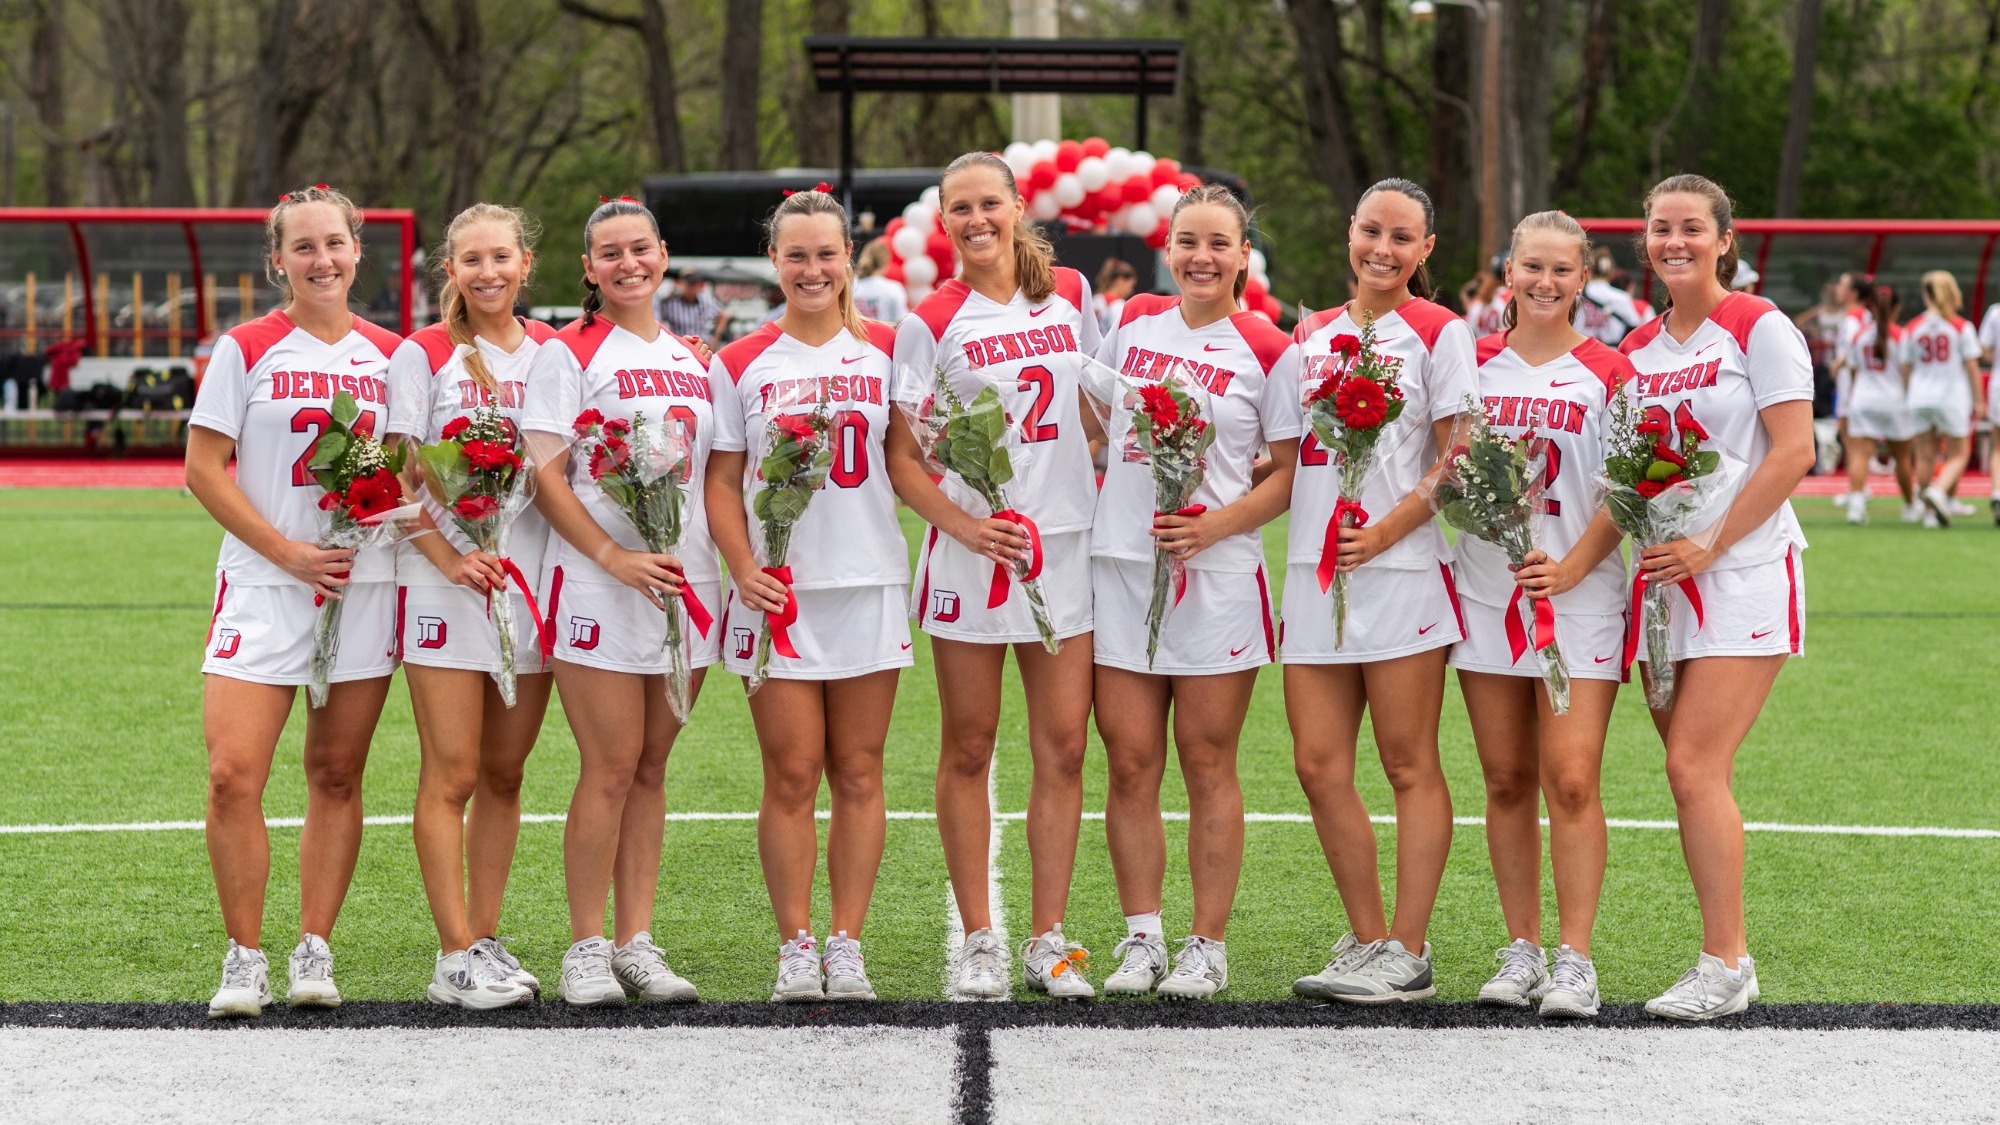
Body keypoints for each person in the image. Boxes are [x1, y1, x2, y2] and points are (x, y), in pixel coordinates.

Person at [185, 184, 405, 1018]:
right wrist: (285, 551)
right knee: (232, 774)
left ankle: (315, 945)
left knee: (337, 772)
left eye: (335, 244)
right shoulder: (245, 347)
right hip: (266, 584)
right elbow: (204, 468)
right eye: (303, 246)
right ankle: (244, 956)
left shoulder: (394, 354)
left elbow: (412, 471)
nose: (322, 260)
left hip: (362, 584)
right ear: (278, 259)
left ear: (358, 251)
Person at [888, 150, 1102, 1000]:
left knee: (1064, 746)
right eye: (959, 209)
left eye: (990, 204)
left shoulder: (1075, 295)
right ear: (944, 221)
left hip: (1067, 545)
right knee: (970, 744)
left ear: (1017, 207)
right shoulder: (927, 319)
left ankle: (1048, 937)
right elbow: (905, 459)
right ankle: (980, 934)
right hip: (972, 555)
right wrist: (971, 527)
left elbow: (1098, 407)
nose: (976, 220)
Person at [1089, 185, 1300, 1000]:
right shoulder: (1134, 320)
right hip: (1121, 567)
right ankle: (1142, 935)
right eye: (1187, 242)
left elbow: (1288, 476)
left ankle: (1205, 943)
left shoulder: (1270, 346)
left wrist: (1213, 526)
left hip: (1216, 577)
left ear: (1244, 252)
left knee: (1207, 761)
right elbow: (1093, 423)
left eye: (1219, 243)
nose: (1201, 258)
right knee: (1130, 761)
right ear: (1167, 248)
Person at [706, 187, 909, 1003]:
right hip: (777, 593)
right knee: (790, 775)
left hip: (868, 583)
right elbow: (721, 482)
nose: (813, 268)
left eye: (827, 254)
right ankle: (795, 943)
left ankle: (846, 941)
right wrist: (742, 566)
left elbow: (913, 463)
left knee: (858, 771)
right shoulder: (740, 360)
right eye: (797, 255)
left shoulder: (892, 348)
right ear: (775, 262)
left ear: (849, 259)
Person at [1619, 174, 1815, 1020]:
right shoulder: (1633, 345)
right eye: (1662, 228)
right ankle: (1729, 952)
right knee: (1694, 774)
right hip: (1663, 581)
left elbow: (1794, 451)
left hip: (1740, 571)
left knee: (1691, 764)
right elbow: (1621, 471)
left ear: (1724, 240)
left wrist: (1712, 541)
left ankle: (1725, 961)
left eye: (1692, 228)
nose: (1676, 241)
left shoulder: (1759, 325)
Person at [521, 196, 718, 1007]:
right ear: (589, 268)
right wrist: (612, 553)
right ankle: (586, 946)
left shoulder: (695, 356)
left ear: (663, 253)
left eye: (640, 248)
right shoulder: (567, 354)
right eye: (610, 253)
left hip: (685, 581)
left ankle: (638, 940)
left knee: (651, 766)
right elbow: (546, 476)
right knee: (607, 766)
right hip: (602, 580)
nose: (628, 263)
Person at [1285, 178, 1473, 1005]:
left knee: (1406, 761)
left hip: (1398, 573)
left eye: (1402, 238)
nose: (1383, 250)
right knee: (1318, 764)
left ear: (1425, 250)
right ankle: (1366, 940)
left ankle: (1410, 947)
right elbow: (1281, 454)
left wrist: (1388, 529)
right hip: (1312, 573)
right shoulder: (1313, 334)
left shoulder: (1440, 330)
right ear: (1349, 233)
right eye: (1371, 232)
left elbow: (1457, 458)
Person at [1456, 211, 1632, 1020]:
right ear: (1509, 270)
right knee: (1503, 779)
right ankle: (1522, 946)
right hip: (1490, 594)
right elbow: (1445, 476)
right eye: (1532, 266)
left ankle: (1575, 957)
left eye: (1563, 270)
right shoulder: (1473, 362)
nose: (1545, 283)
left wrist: (1570, 565)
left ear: (1584, 276)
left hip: (1580, 597)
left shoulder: (1610, 369)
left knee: (1569, 778)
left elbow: (1627, 491)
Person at [384, 203, 553, 1009]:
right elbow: (394, 479)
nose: (487, 272)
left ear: (526, 264)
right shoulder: (425, 354)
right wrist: (452, 555)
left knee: (506, 773)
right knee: (450, 773)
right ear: (448, 271)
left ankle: (485, 937)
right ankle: (452, 956)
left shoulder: (555, 352)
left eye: (501, 257)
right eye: (470, 260)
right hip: (444, 588)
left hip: (529, 588)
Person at [1901, 271, 1985, 525]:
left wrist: (1909, 394)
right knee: (1959, 453)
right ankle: (1938, 493)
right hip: (1951, 397)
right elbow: (1972, 366)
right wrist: (1979, 400)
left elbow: (1906, 367)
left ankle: (1929, 513)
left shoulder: (1913, 327)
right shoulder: (1960, 326)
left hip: (1919, 396)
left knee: (1925, 454)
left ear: (1926, 295)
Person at [1837, 283, 1911, 526]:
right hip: (1894, 400)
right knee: (1901, 457)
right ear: (1896, 309)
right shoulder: (1902, 335)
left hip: (1863, 399)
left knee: (1859, 454)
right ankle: (1910, 506)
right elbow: (1905, 372)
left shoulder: (1860, 335)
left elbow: (1855, 371)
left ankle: (1856, 507)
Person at [1577, 250, 1641, 347]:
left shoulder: (1576, 297)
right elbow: (1635, 327)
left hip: (1580, 353)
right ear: (1611, 273)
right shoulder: (1622, 298)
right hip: (1612, 353)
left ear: (1589, 272)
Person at [658, 268, 727, 347]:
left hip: (702, 344)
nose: (691, 288)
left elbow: (723, 315)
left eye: (694, 284)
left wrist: (715, 338)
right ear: (680, 283)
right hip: (680, 345)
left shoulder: (706, 300)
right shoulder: (670, 302)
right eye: (688, 284)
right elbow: (658, 319)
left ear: (698, 285)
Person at [852, 239, 910, 325]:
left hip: (855, 336)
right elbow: (902, 323)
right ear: (886, 263)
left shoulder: (849, 286)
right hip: (885, 336)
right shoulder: (894, 288)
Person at [1095, 257, 1138, 335]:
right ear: (1120, 280)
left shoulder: (1095, 300)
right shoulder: (1120, 305)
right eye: (1130, 286)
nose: (1131, 291)